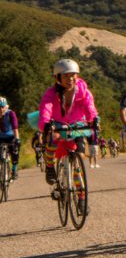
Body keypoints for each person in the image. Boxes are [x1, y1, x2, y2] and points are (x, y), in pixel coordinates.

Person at [38, 59, 99, 195]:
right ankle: (49, 166)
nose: (70, 79)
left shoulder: (84, 91)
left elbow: (90, 108)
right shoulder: (51, 93)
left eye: (73, 75)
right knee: (53, 137)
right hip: (58, 123)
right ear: (57, 77)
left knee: (78, 160)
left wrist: (92, 120)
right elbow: (45, 109)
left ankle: (81, 197)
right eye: (65, 76)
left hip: (77, 124)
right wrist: (46, 123)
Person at [0, 97, 21, 180]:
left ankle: (14, 170)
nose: (0, 109)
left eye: (2, 107)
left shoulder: (11, 113)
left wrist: (17, 140)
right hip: (0, 137)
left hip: (11, 136)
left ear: (6, 107)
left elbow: (15, 128)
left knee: (15, 150)